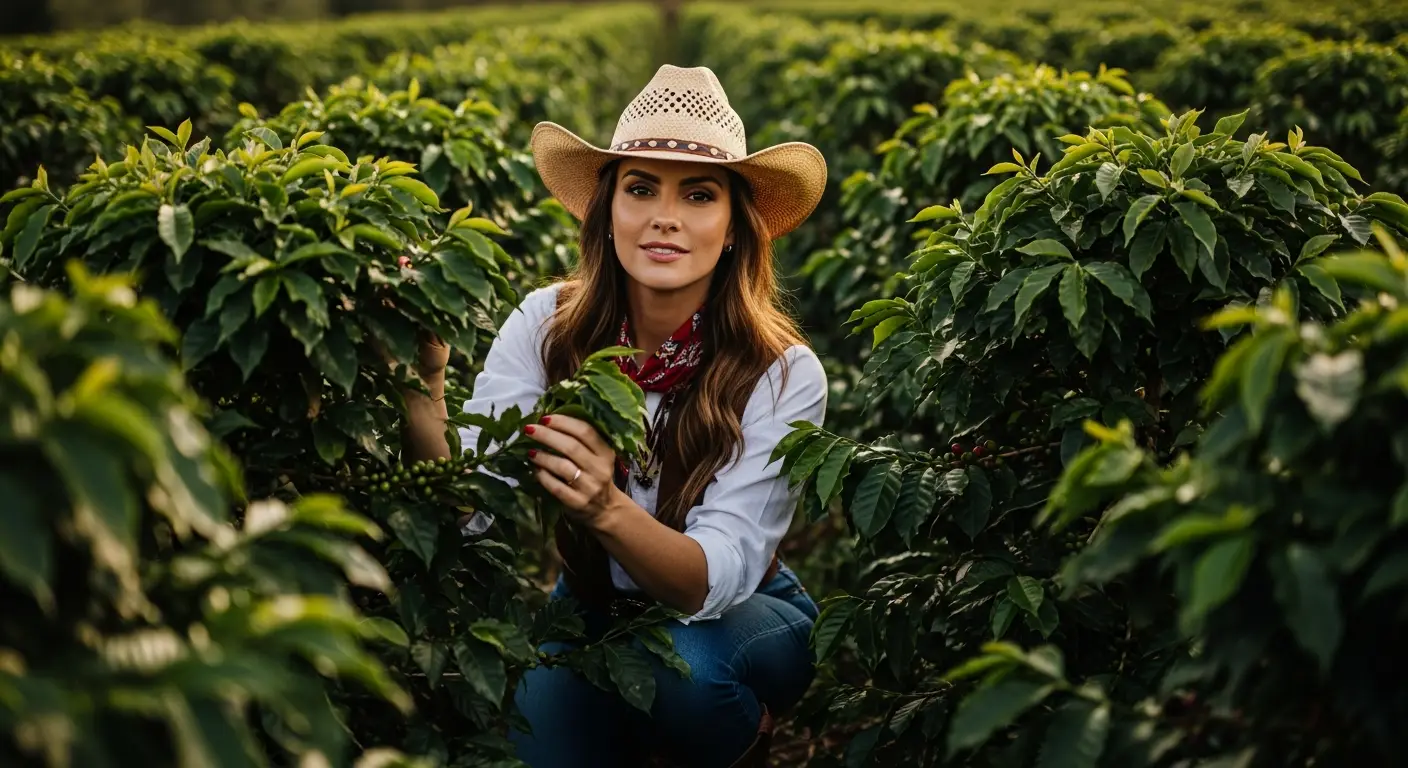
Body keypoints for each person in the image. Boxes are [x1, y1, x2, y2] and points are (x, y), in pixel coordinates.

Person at [398, 64, 829, 768]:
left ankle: (739, 740)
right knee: (530, 736)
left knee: (684, 673)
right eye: (640, 188)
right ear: (608, 210)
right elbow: (468, 508)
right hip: (591, 604)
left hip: (742, 616)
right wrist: (425, 380)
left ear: (731, 229)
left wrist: (604, 506)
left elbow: (711, 579)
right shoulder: (548, 325)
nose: (665, 215)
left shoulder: (780, 371)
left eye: (698, 194)